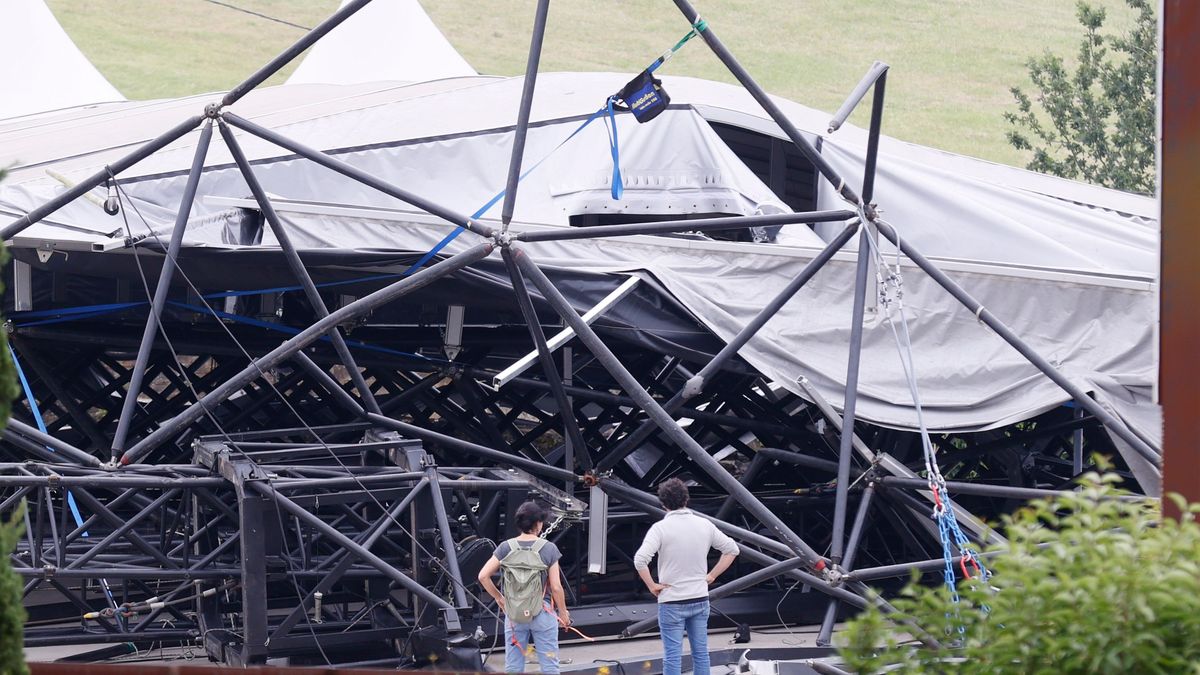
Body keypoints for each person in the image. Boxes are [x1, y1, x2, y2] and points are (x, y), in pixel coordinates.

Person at [634, 478, 739, 675]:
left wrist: (652, 585)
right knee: (701, 653)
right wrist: (712, 575)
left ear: (663, 503)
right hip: (699, 597)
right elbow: (732, 550)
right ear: (686, 499)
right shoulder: (704, 524)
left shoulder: (660, 529)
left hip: (672, 600)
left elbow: (640, 560)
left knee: (672, 656)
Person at [478, 500, 569, 673]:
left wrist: (499, 598)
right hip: (542, 613)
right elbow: (556, 587)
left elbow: (483, 576)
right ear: (538, 524)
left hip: (514, 615)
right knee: (550, 666)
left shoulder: (506, 547)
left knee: (513, 667)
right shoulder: (549, 548)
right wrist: (563, 613)